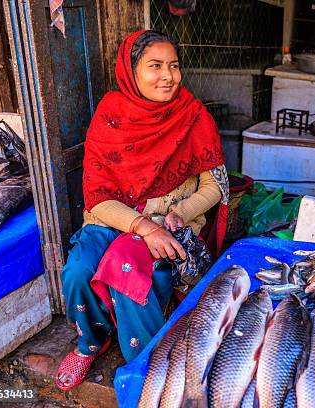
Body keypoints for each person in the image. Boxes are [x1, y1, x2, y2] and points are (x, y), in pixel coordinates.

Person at [55, 30, 229, 391]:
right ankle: (91, 340)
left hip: (167, 219)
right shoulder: (111, 115)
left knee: (127, 270)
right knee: (77, 270)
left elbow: (215, 188)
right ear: (131, 71)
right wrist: (141, 226)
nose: (169, 76)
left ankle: (149, 363)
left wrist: (180, 212)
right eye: (155, 66)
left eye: (174, 66)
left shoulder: (193, 116)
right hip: (112, 218)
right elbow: (97, 197)